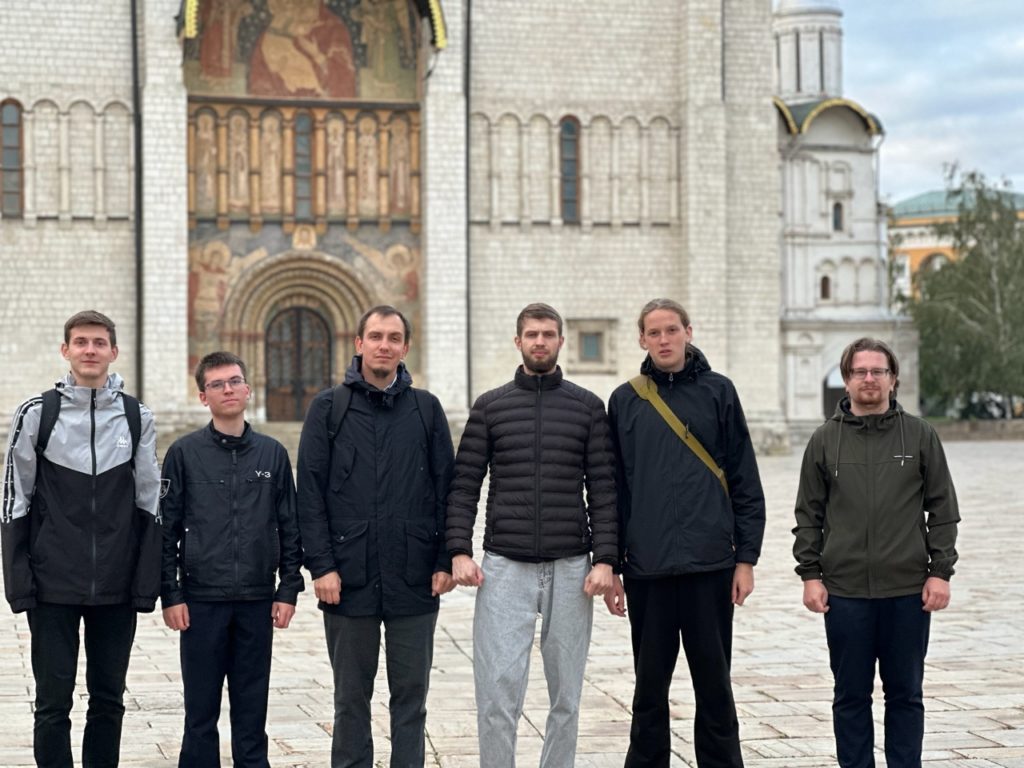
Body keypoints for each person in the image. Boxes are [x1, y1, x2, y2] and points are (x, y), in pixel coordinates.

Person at [446, 302, 618, 768]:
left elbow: (603, 488)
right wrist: (459, 550)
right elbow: (465, 484)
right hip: (504, 568)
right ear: (518, 341)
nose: (539, 341)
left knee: (567, 695)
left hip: (572, 568)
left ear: (561, 341)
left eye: (547, 334)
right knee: (496, 693)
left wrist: (606, 560)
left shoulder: (587, 408)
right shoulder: (490, 407)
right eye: (531, 334)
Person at [604, 298, 765, 768]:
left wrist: (746, 559)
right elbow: (614, 490)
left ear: (688, 333)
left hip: (710, 564)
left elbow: (744, 479)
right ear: (642, 339)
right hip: (647, 567)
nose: (664, 340)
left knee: (714, 686)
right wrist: (611, 564)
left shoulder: (719, 392)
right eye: (654, 333)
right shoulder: (625, 400)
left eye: (671, 330)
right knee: (649, 689)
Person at [1, 309, 162, 767]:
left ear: (113, 351)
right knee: (53, 704)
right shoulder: (37, 414)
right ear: (65, 350)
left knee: (109, 701)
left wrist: (145, 581)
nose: (90, 350)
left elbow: (151, 499)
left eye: (98, 342)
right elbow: (14, 497)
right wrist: (19, 581)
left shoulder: (136, 417)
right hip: (52, 584)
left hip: (116, 585)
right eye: (81, 342)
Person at [296, 305, 455, 768]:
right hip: (348, 579)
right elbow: (310, 493)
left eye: (394, 337)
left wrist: (445, 559)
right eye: (376, 336)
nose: (384, 345)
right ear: (359, 343)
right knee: (350, 701)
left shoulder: (426, 409)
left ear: (406, 347)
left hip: (414, 577)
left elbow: (448, 489)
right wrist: (322, 565)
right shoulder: (328, 408)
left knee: (411, 700)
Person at [792, 337, 959, 768]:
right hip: (845, 592)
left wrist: (940, 571)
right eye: (860, 371)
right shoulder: (824, 440)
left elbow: (943, 509)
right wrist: (810, 575)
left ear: (893, 378)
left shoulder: (920, 435)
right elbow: (808, 514)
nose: (869, 379)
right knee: (850, 695)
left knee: (906, 695)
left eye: (878, 371)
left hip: (907, 591)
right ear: (846, 380)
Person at [160, 351, 304, 767]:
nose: (228, 389)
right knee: (200, 713)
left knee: (251, 712)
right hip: (201, 603)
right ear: (203, 396)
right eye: (217, 384)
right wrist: (171, 594)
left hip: (257, 601)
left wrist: (288, 589)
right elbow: (166, 530)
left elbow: (290, 526)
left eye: (235, 381)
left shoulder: (272, 454)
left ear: (248, 389)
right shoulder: (183, 454)